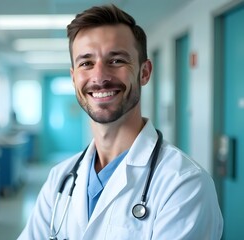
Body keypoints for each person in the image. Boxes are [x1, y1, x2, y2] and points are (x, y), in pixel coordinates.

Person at [18, 4, 223, 240]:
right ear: (74, 78)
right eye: (86, 63)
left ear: (144, 72)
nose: (100, 77)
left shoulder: (183, 184)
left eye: (116, 60)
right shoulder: (61, 179)